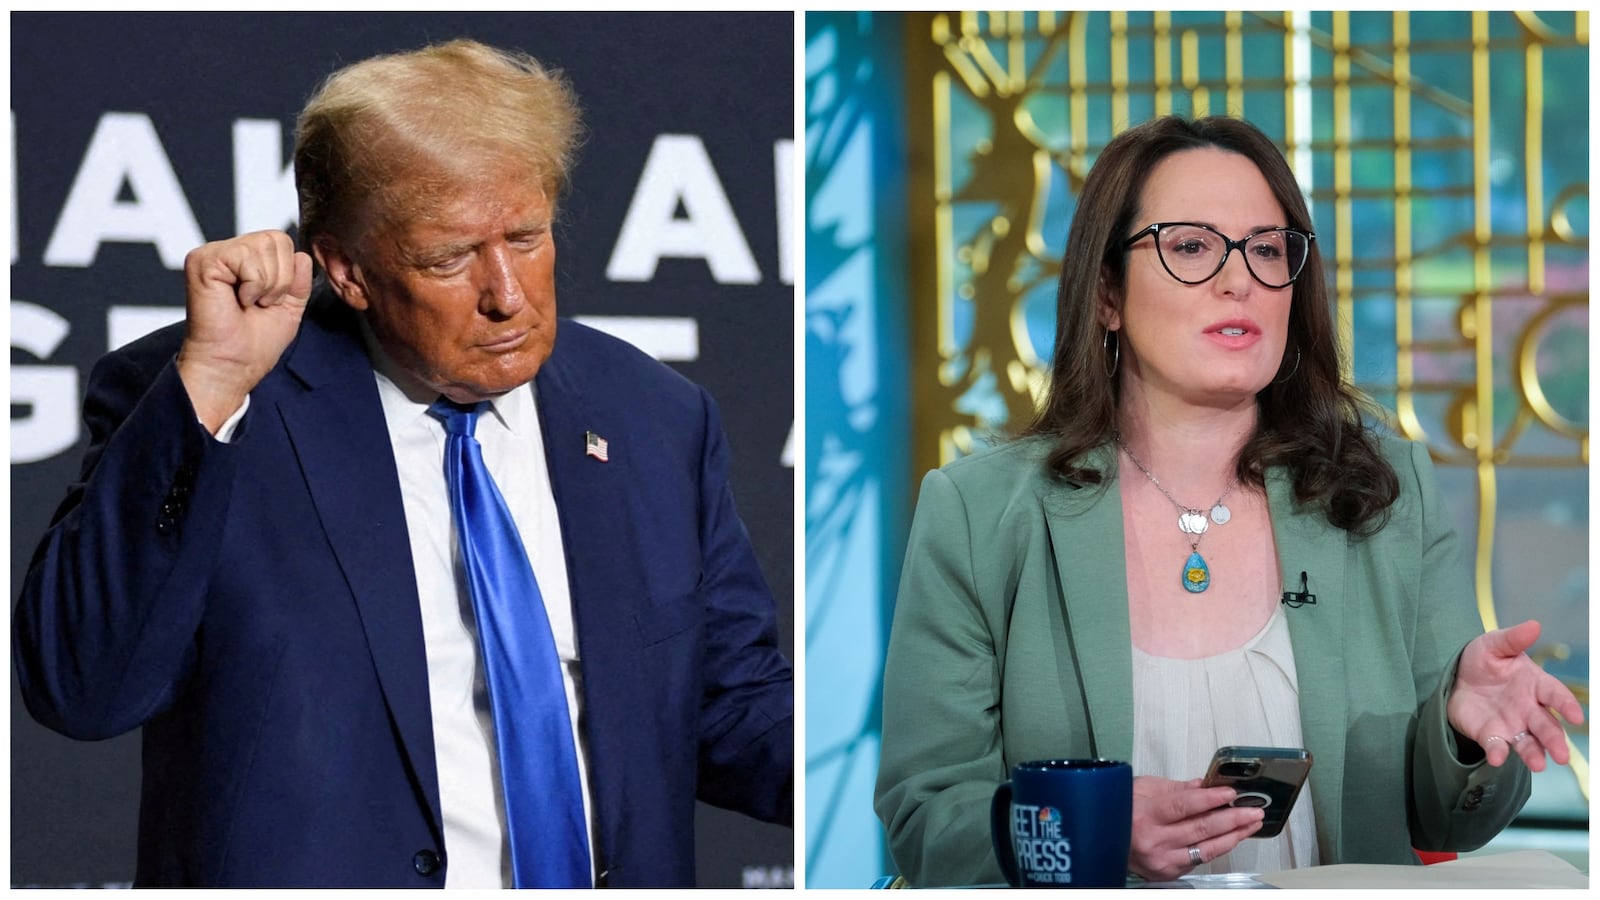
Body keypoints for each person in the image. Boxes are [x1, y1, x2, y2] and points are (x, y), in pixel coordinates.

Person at [14, 39, 792, 888]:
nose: (507, 295)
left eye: (526, 237)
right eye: (450, 257)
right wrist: (210, 385)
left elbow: (731, 709)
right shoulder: (221, 400)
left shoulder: (652, 416)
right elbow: (85, 689)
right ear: (347, 271)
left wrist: (899, 768)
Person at [873, 115, 1582, 886]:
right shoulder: (979, 514)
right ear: (1107, 293)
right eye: (1190, 246)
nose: (1239, 279)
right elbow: (925, 818)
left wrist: (1465, 733)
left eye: (1267, 249)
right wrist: (1092, 830)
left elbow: (1453, 819)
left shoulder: (1385, 493)